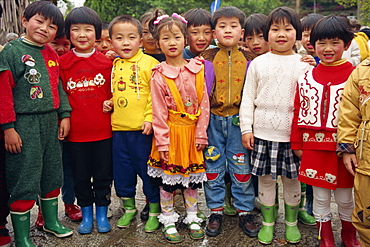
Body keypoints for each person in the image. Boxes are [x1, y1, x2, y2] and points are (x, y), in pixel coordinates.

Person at [0, 1, 73, 246]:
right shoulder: (10, 52)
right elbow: (3, 93)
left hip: (50, 123)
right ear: (24, 21)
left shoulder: (51, 53)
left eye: (52, 26)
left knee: (52, 173)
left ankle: (51, 221)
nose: (44, 29)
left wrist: (64, 114)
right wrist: (8, 128)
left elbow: (58, 87)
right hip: (24, 125)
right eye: (39, 21)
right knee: (25, 177)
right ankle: (21, 237)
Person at [240, 7, 313, 244]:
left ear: (298, 34)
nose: (281, 34)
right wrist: (246, 128)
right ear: (267, 33)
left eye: (288, 29)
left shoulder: (305, 65)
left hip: (293, 136)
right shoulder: (258, 63)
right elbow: (248, 98)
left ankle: (291, 223)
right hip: (263, 134)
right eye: (275, 29)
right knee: (266, 180)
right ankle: (268, 224)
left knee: (293, 181)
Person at [291, 15, 361, 247]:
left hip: (345, 149)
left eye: (334, 42)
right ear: (313, 44)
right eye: (322, 43)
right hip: (314, 147)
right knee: (320, 196)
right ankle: (325, 237)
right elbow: (298, 111)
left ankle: (349, 235)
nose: (327, 48)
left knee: (344, 196)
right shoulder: (306, 77)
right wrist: (297, 144)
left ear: (347, 44)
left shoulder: (356, 75)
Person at [147, 11, 210, 243]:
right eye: (165, 38)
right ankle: (168, 218)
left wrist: (202, 133)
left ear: (185, 39)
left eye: (176, 37)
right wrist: (162, 141)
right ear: (157, 43)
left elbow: (204, 103)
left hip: (193, 133)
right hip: (171, 134)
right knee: (168, 181)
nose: (171, 43)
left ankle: (192, 216)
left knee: (193, 180)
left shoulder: (198, 68)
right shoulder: (158, 75)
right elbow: (158, 112)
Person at [200, 6, 258, 238]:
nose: (228, 30)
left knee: (241, 168)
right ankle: (215, 211)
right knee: (212, 168)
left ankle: (245, 211)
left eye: (233, 26)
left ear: (241, 32)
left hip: (239, 122)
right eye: (222, 26)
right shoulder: (204, 58)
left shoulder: (252, 59)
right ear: (214, 32)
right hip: (212, 120)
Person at [102, 14, 161, 233]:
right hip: (118, 130)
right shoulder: (115, 64)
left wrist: (149, 118)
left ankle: (154, 211)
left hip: (142, 131)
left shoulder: (150, 64)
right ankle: (129, 209)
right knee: (122, 173)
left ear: (141, 39)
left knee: (148, 174)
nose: (125, 43)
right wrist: (110, 102)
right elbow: (118, 92)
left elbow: (155, 96)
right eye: (119, 38)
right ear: (111, 41)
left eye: (131, 37)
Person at [60, 6, 113, 234]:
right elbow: (60, 97)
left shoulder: (108, 64)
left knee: (103, 176)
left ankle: (102, 214)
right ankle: (86, 215)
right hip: (76, 135)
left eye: (88, 30)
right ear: (68, 33)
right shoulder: (62, 65)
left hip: (104, 132)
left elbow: (117, 94)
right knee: (80, 178)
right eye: (76, 29)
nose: (82, 35)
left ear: (97, 33)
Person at [34, 31, 81, 230]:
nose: (61, 48)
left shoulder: (73, 63)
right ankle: (42, 211)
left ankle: (70, 202)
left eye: (66, 44)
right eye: (56, 43)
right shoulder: (38, 63)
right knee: (43, 169)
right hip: (45, 126)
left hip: (71, 124)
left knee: (69, 168)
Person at [337, 32, 370, 247]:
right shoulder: (362, 71)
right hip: (365, 159)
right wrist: (347, 147)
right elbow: (349, 112)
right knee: (365, 213)